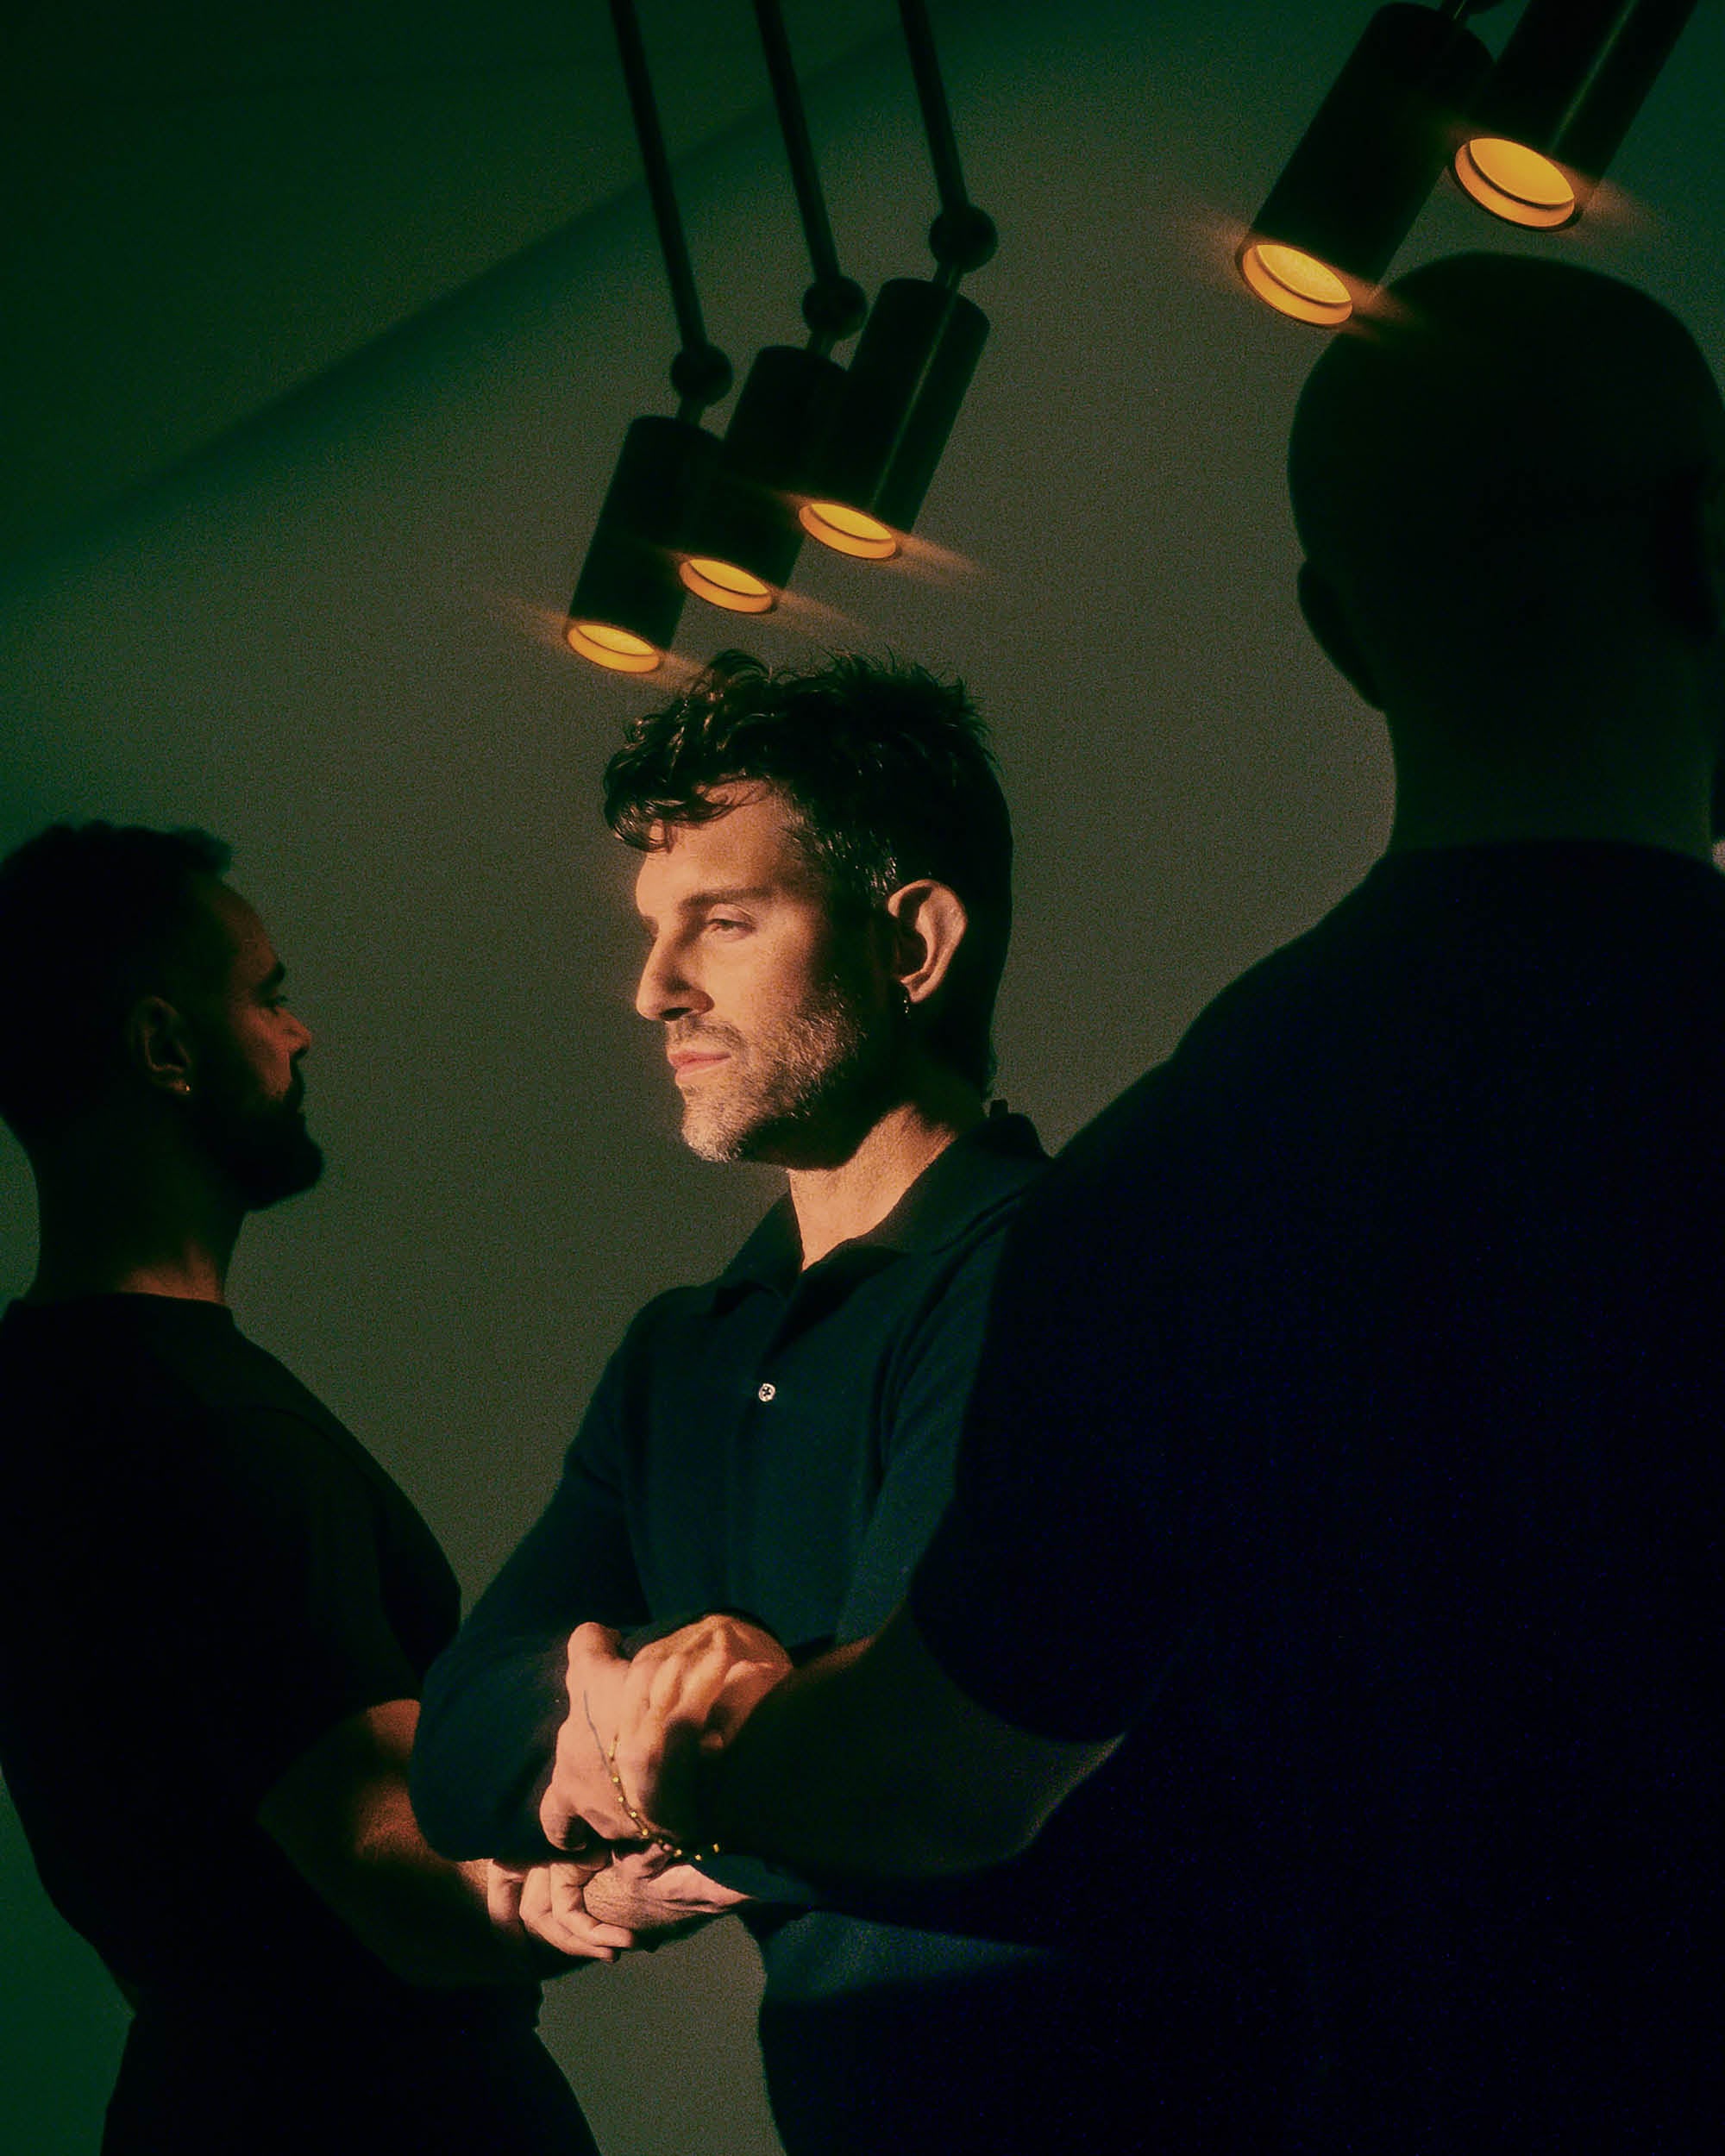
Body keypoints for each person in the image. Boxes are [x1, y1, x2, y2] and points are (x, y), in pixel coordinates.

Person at [552, 255, 1725, 2149]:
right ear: (1713, 537)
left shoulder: (1192, 1165)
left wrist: (696, 1735)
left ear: (1336, 630)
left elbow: (951, 1769)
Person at [411, 654, 1147, 2154]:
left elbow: (925, 1772)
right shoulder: (680, 1354)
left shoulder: (1061, 1277)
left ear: (914, 945)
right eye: (650, 932)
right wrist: (623, 1727)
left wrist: (633, 1842)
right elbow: (452, 1751)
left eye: (724, 924)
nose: (652, 988)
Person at [0, 822, 607, 2155]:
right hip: (382, 2118)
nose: (302, 1034)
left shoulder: (37, 1399)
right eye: (267, 995)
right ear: (166, 1049)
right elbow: (409, 1887)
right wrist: (715, 1828)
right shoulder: (202, 1431)